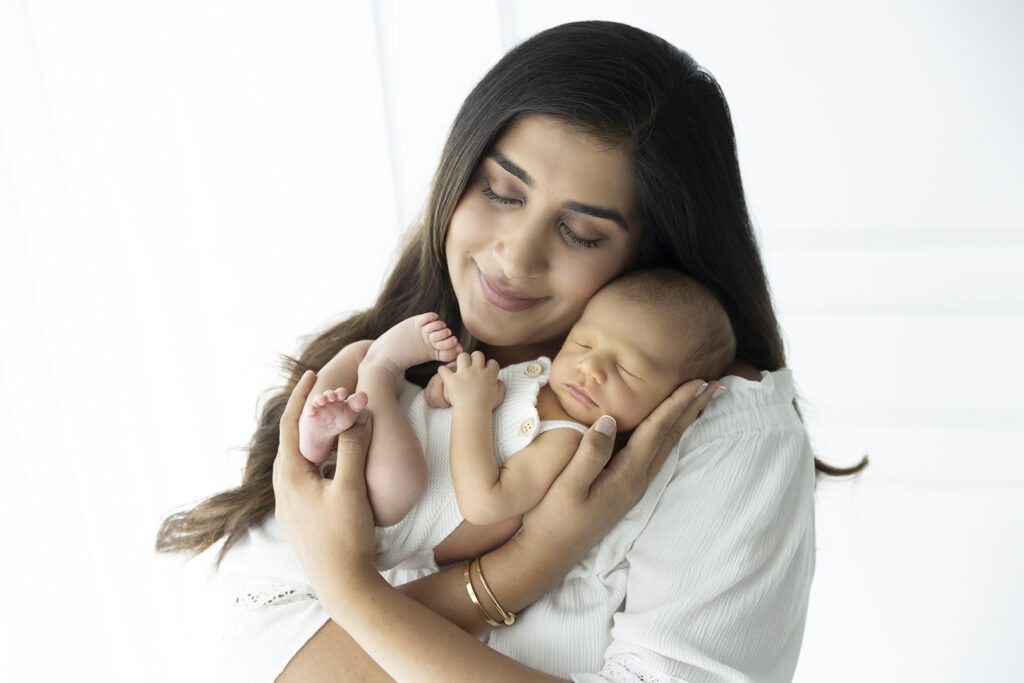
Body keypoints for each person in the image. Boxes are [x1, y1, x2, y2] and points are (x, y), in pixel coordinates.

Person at [156, 20, 866, 681]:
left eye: (582, 233)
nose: (512, 257)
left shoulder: (716, 426)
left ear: (655, 253)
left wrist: (349, 586)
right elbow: (260, 652)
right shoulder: (398, 357)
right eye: (499, 190)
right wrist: (518, 568)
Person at [298, 269, 736, 572]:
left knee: (399, 472)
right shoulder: (540, 372)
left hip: (394, 517)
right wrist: (445, 389)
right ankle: (320, 437)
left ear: (668, 402)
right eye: (583, 343)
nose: (591, 369)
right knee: (355, 352)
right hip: (392, 429)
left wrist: (472, 406)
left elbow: (484, 503)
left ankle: (381, 370)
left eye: (627, 371)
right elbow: (443, 399)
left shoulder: (569, 442)